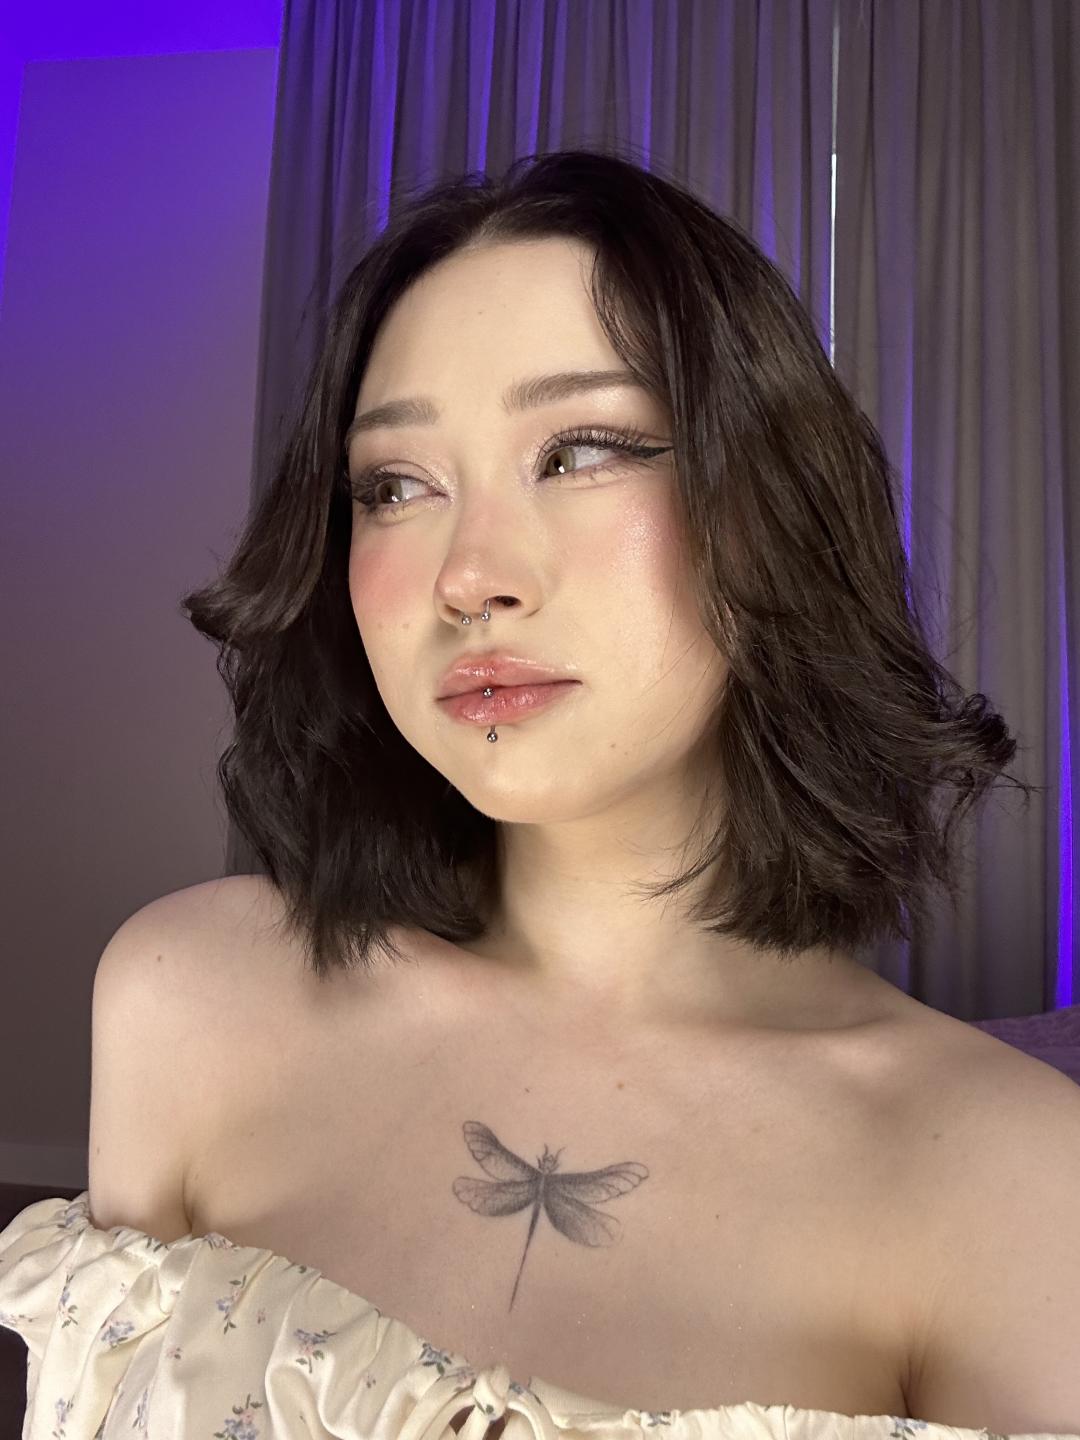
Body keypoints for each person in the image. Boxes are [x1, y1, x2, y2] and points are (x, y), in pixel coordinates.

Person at [2, 147, 1078, 1439]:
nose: (470, 577)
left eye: (579, 452)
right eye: (395, 486)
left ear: (772, 507)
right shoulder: (187, 998)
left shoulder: (1018, 1181)